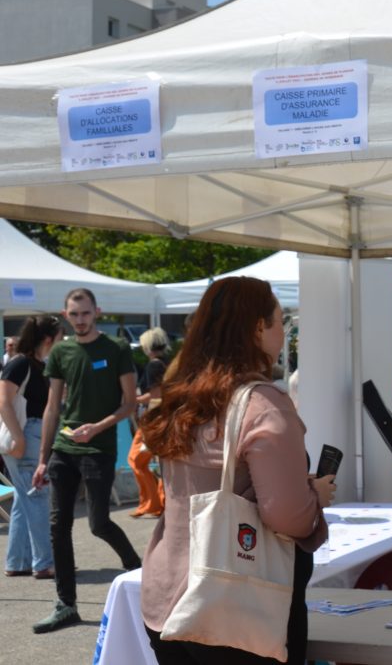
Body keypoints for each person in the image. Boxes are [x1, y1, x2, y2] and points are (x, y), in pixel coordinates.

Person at [139, 276, 336, 664]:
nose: (284, 331)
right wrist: (316, 496)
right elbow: (287, 516)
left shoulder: (179, 395)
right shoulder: (262, 404)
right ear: (256, 328)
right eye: (280, 321)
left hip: (168, 595)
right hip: (235, 605)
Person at [31, 289, 145, 634]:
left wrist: (98, 427)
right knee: (57, 526)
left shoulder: (116, 349)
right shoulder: (61, 352)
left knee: (98, 523)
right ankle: (66, 605)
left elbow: (130, 403)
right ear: (66, 315)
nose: (80, 319)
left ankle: (141, 574)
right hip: (65, 449)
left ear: (97, 312)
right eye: (74, 314)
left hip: (99, 448)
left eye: (85, 313)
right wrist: (42, 458)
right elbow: (52, 407)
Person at [1, 315, 62, 580]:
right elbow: (3, 401)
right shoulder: (21, 364)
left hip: (29, 434)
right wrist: (19, 437)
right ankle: (44, 562)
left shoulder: (35, 364)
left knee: (25, 500)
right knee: (36, 497)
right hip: (25, 434)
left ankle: (18, 561)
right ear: (48, 339)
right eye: (59, 337)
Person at [128, 327, 170, 519]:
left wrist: (133, 400)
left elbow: (155, 395)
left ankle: (151, 503)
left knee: (136, 459)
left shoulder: (154, 365)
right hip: (164, 418)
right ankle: (157, 501)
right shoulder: (168, 363)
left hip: (153, 419)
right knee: (162, 463)